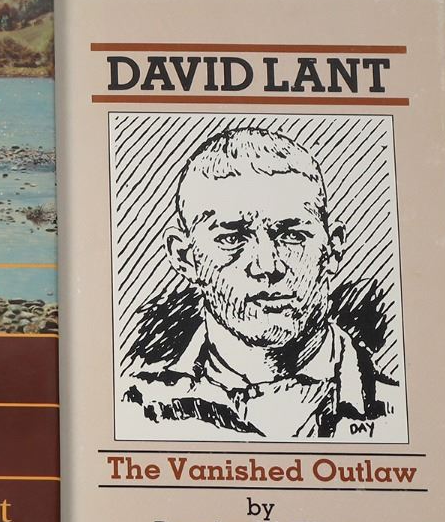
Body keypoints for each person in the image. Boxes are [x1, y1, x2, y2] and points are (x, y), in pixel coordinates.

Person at [118, 125, 388, 440]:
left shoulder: (398, 414)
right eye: (232, 238)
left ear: (333, 249)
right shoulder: (132, 411)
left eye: (292, 235)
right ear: (185, 256)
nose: (267, 266)